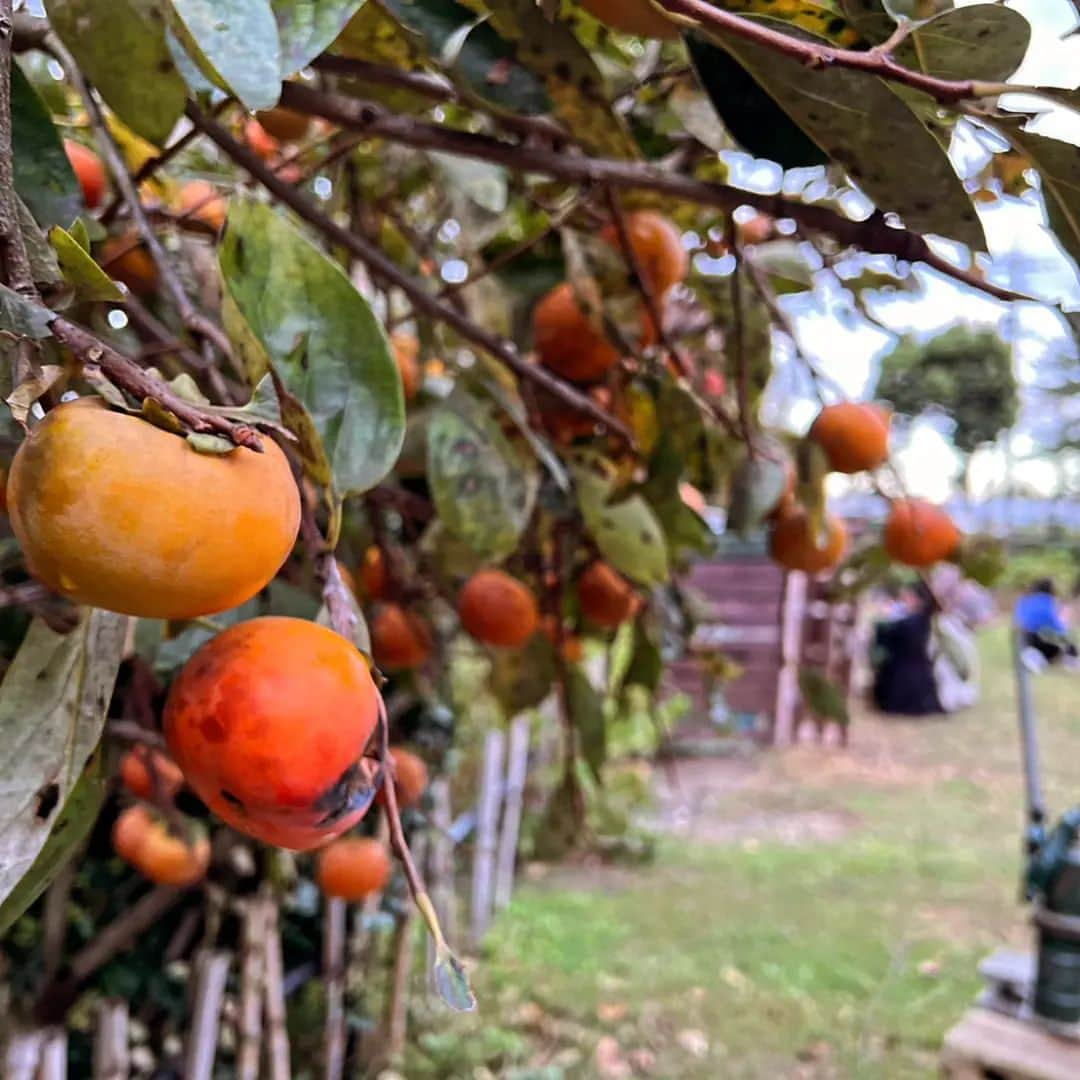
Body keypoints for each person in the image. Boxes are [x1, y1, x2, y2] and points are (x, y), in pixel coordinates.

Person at [872, 581, 943, 716]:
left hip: (903, 679)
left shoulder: (912, 623)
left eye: (909, 597)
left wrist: (885, 619)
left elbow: (889, 636)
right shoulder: (920, 620)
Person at [1015, 579, 1077, 673]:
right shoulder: (1049, 601)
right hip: (1045, 636)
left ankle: (1034, 657)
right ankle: (1071, 661)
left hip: (1028, 637)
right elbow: (1055, 623)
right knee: (1066, 642)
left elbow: (1020, 620)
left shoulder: (1024, 600)